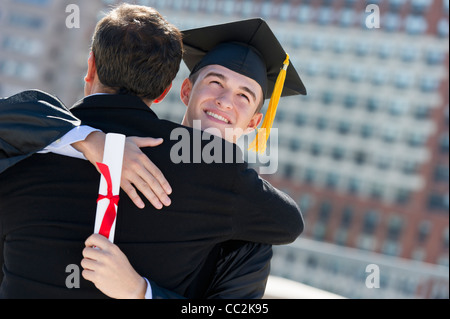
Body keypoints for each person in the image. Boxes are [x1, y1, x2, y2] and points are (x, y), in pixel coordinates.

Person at [0, 5, 305, 299]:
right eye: (215, 82)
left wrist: (140, 292)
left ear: (255, 122)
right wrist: (90, 140)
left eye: (244, 96)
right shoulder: (65, 137)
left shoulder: (248, 229)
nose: (225, 101)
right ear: (180, 91)